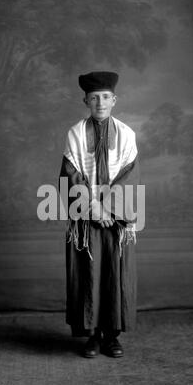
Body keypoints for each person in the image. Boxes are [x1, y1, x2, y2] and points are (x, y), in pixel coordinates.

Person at [59, 71, 140, 358]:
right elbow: (71, 174)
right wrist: (94, 208)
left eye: (105, 97)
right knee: (88, 273)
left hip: (116, 221)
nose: (100, 103)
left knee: (114, 275)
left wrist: (109, 208)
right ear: (85, 101)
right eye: (94, 98)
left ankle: (112, 336)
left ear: (114, 100)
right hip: (87, 221)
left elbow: (129, 175)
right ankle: (91, 336)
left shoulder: (127, 134)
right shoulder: (75, 134)